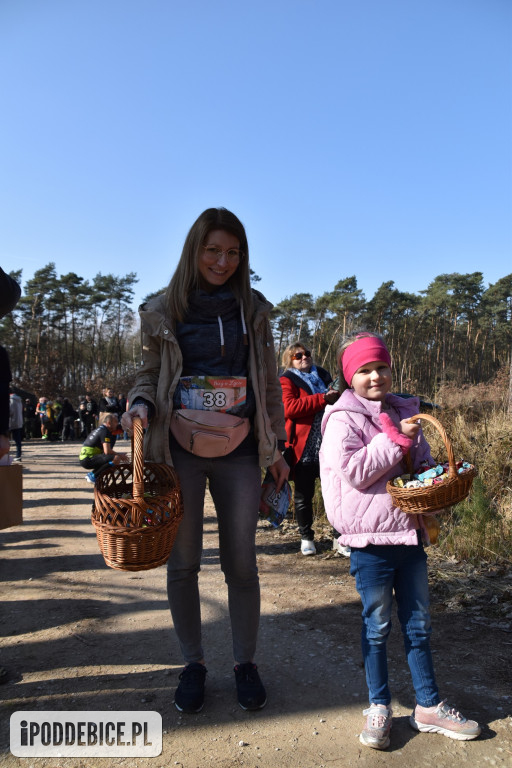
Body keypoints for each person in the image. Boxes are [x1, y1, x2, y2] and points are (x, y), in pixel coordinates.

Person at [122, 207, 288, 715]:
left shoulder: (253, 310)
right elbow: (150, 374)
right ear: (194, 250)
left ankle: (244, 664)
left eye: (233, 252)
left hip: (239, 453)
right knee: (184, 562)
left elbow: (267, 383)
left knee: (242, 562)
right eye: (213, 250)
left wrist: (275, 447)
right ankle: (193, 664)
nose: (223, 261)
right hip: (179, 452)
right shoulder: (164, 309)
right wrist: (140, 404)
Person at [319, 331, 481, 750]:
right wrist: (395, 439)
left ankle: (428, 705)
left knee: (420, 623)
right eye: (365, 370)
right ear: (350, 376)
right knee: (377, 626)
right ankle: (379, 706)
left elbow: (419, 464)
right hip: (370, 541)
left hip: (409, 534)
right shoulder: (343, 418)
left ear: (392, 370)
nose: (375, 376)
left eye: (381, 368)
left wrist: (437, 475)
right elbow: (356, 471)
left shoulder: (404, 410)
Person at [280, 342, 339, 555]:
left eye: (307, 354)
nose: (304, 357)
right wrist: (322, 399)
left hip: (330, 441)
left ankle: (339, 538)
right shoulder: (287, 379)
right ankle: (306, 538)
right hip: (304, 446)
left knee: (335, 493)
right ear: (290, 360)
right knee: (304, 495)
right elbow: (290, 408)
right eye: (298, 355)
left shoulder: (323, 375)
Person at [78, 413, 129, 484]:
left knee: (111, 458)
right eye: (116, 422)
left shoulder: (102, 429)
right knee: (116, 458)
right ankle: (94, 476)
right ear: (109, 423)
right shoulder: (105, 431)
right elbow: (107, 451)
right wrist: (120, 455)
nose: (117, 424)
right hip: (87, 459)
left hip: (85, 458)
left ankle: (93, 474)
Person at [9, 390, 23, 461]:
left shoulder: (11, 400)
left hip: (11, 422)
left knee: (5, 439)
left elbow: (10, 411)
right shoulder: (18, 400)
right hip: (18, 421)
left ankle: (5, 456)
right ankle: (18, 455)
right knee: (18, 440)